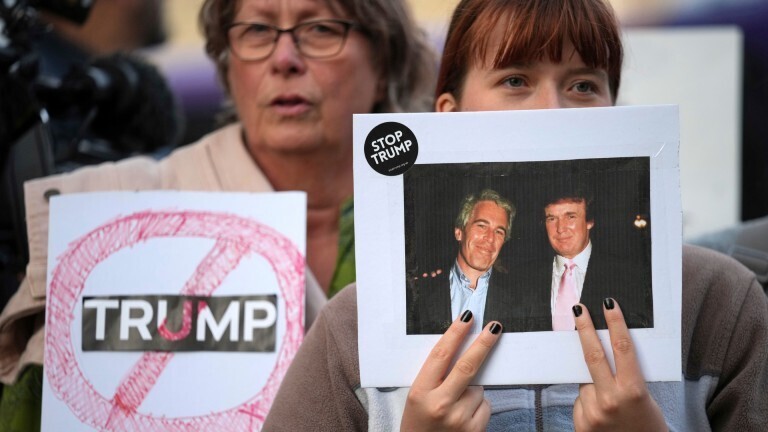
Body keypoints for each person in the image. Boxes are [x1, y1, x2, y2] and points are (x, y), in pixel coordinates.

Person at [262, 0, 768, 430]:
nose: (551, 109)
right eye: (516, 79)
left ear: (617, 108)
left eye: (584, 86)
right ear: (448, 114)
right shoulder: (355, 326)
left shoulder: (717, 302)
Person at [0, 0, 435, 430]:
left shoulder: (443, 221)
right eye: (257, 31)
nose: (284, 59)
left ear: (385, 60)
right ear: (227, 64)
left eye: (321, 29)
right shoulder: (110, 210)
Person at [509, 189, 653, 332]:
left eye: (570, 217)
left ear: (589, 221)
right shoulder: (522, 278)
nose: (560, 229)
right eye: (552, 219)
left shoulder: (627, 275)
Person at [407, 189, 516, 334]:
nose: (490, 238)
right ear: (459, 232)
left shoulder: (520, 299)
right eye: (481, 226)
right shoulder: (419, 293)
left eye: (499, 232)